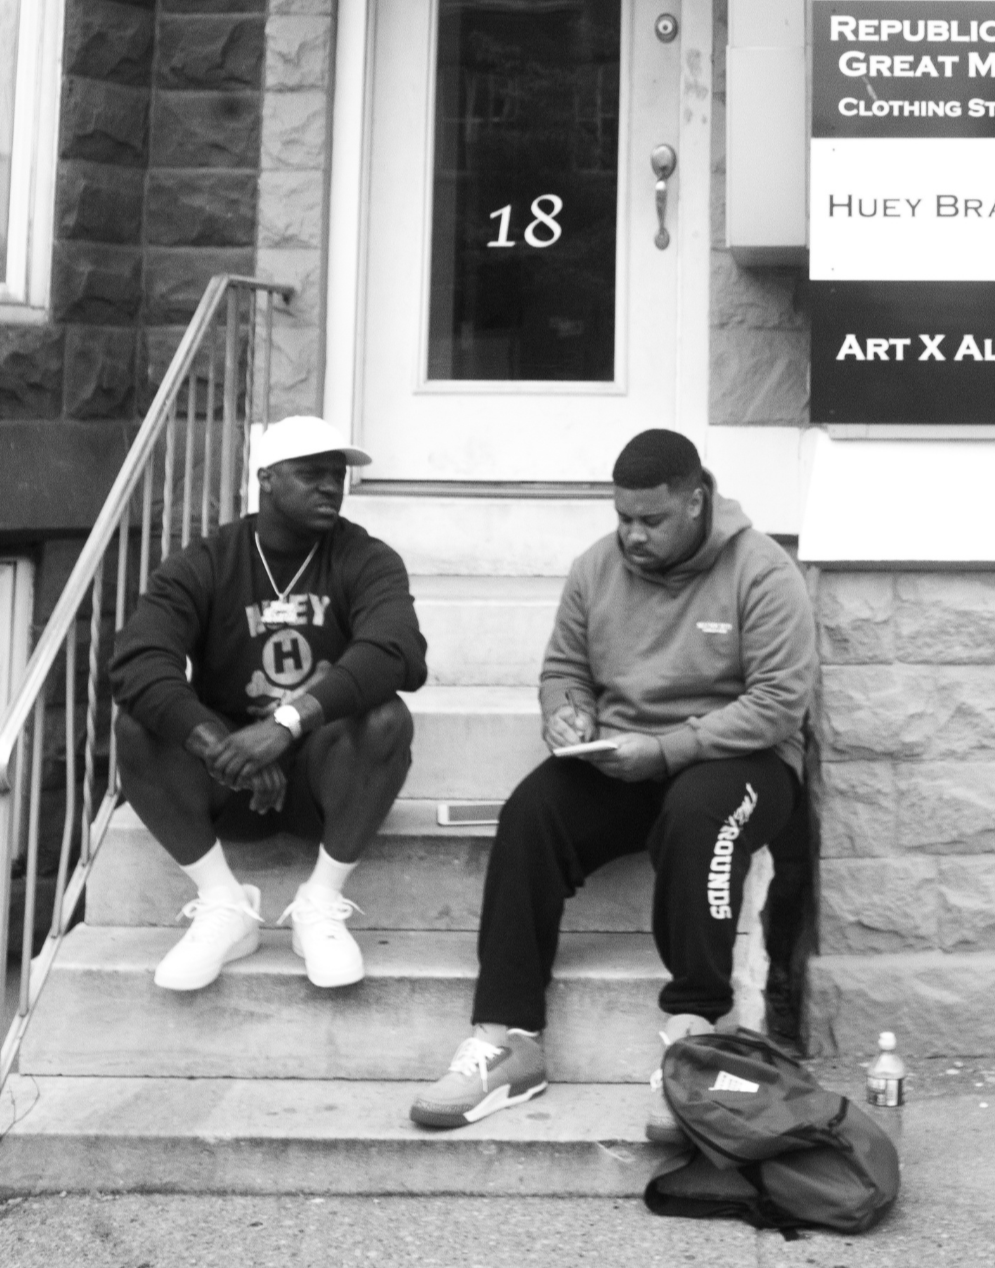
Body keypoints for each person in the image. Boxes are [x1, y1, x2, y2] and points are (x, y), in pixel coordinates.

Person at [411, 427, 815, 1137]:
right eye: (622, 517)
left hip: (740, 760)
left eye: (650, 520)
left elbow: (779, 702)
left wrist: (667, 750)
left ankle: (696, 1034)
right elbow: (564, 669)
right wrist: (566, 716)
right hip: (623, 753)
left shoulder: (762, 570)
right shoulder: (594, 568)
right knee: (529, 813)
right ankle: (508, 1040)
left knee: (698, 815)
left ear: (696, 501)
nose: (631, 534)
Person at [109, 414, 427, 992]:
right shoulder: (207, 562)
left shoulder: (366, 558)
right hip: (227, 778)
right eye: (310, 474)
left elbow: (397, 652)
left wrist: (286, 724)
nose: (331, 486)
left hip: (320, 779)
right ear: (266, 478)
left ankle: (320, 903)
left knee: (386, 718)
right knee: (135, 727)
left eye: (338, 475)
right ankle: (223, 903)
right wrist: (217, 745)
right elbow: (138, 660)